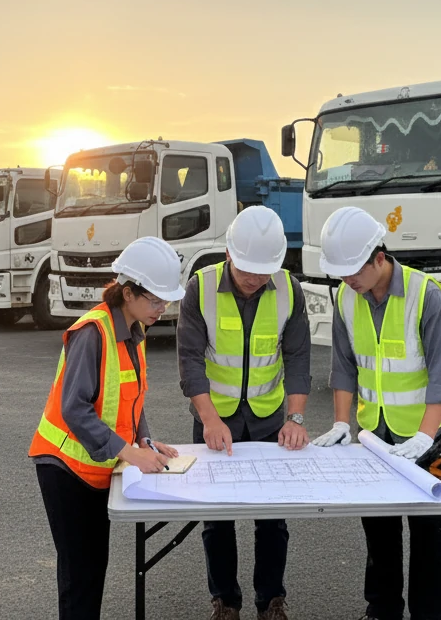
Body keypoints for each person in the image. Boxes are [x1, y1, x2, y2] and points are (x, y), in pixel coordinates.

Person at [311, 206, 441, 620]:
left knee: (430, 533)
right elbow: (343, 365)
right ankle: (382, 611)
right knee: (378, 530)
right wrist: (343, 422)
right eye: (340, 273)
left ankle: (431, 615)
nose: (346, 280)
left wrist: (426, 436)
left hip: (428, 433)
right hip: (375, 435)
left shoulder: (424, 294)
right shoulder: (347, 297)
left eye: (352, 271)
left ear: (379, 258)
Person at [28, 236, 186, 620]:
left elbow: (131, 397)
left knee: (93, 566)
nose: (162, 309)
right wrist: (130, 453)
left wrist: (144, 440)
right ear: (128, 292)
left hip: (95, 467)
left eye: (166, 301)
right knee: (80, 574)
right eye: (155, 300)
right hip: (64, 468)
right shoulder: (92, 332)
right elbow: (74, 409)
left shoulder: (133, 330)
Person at [177, 206, 312, 620]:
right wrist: (209, 419)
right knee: (217, 518)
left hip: (270, 420)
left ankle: (271, 599)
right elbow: (190, 360)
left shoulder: (289, 290)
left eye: (263, 271)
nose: (255, 280)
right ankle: (226, 601)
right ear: (230, 255)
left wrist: (296, 418)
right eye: (247, 270)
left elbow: (298, 358)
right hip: (215, 419)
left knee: (273, 516)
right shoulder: (200, 288)